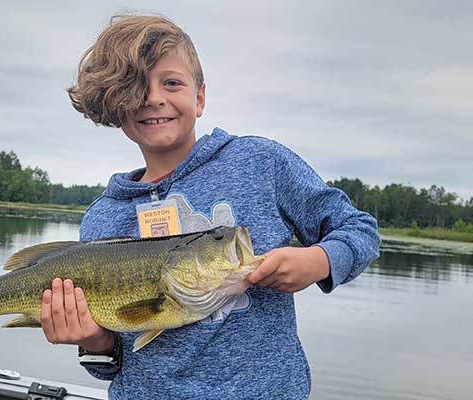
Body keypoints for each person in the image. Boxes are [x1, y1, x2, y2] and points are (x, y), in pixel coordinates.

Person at [38, 14, 380, 399]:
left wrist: (319, 260)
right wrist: (95, 340)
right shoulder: (103, 218)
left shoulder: (259, 163)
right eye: (135, 86)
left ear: (199, 97)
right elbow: (111, 361)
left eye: (171, 82)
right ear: (116, 104)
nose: (153, 98)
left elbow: (359, 229)